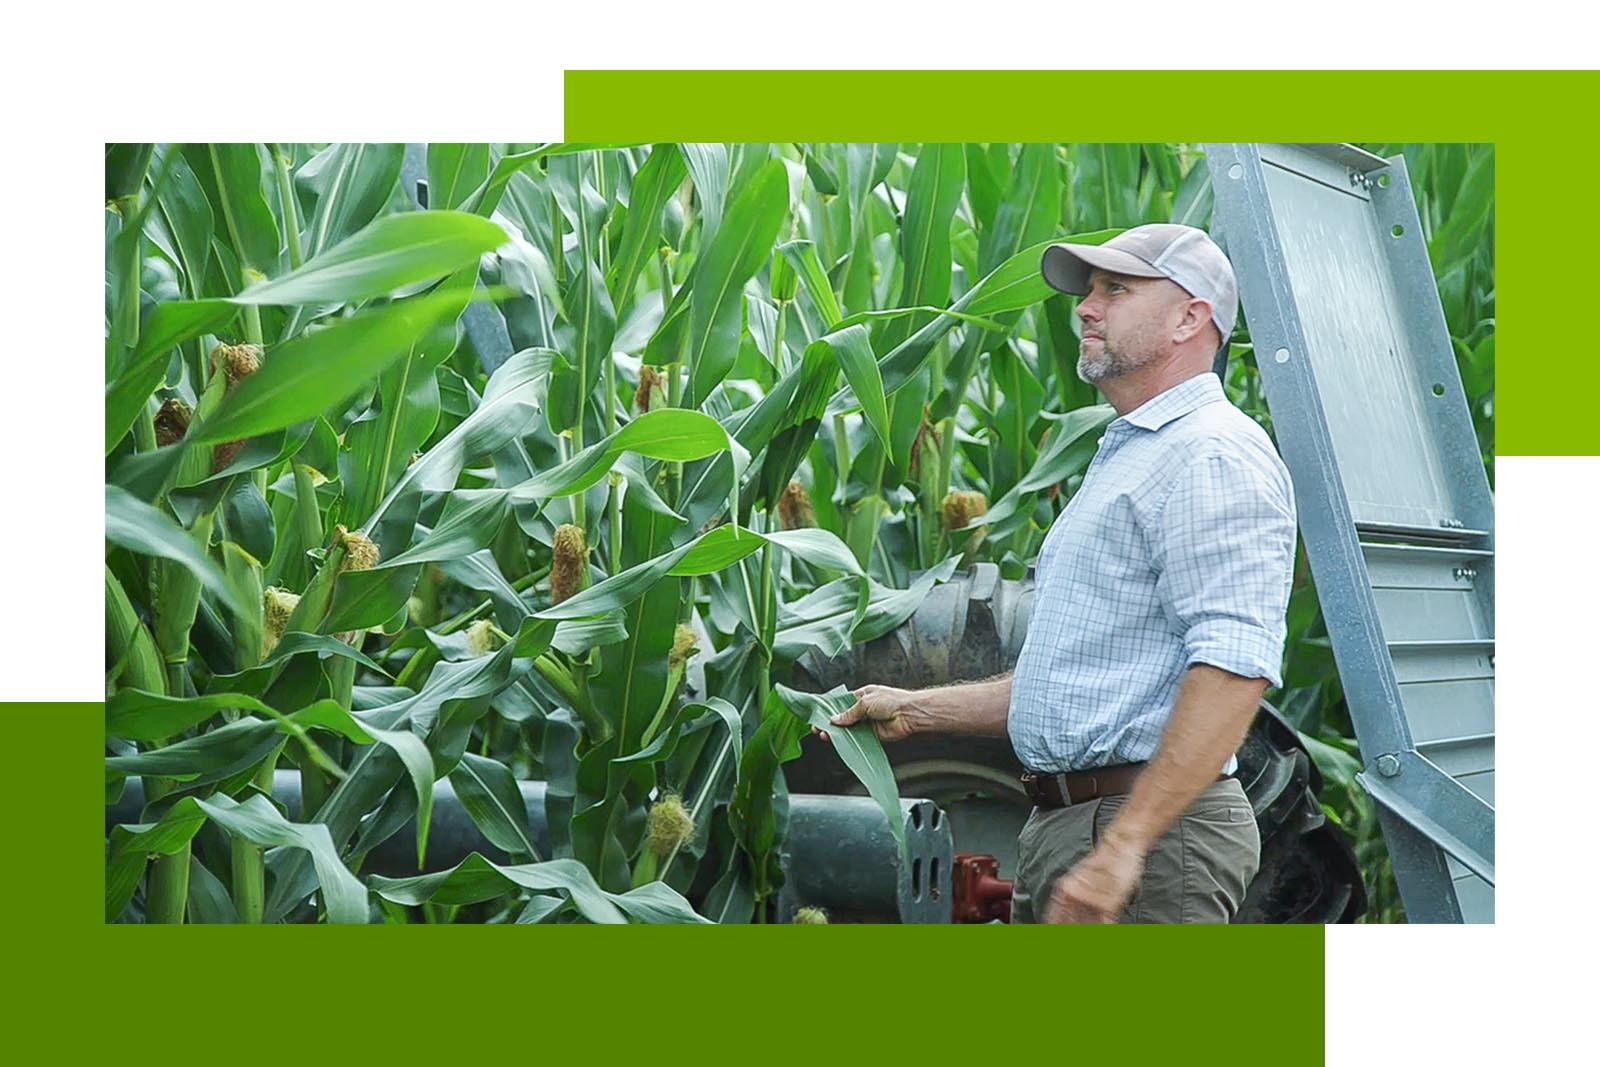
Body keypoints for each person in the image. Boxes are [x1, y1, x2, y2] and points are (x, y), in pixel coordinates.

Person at [821, 223, 1297, 923]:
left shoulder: (1210, 456)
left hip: (1150, 840)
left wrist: (1125, 846)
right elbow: (1078, 687)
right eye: (1088, 290)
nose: (1085, 306)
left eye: (1116, 288)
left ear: (1190, 318)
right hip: (1075, 827)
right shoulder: (1136, 452)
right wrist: (917, 708)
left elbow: (1233, 667)